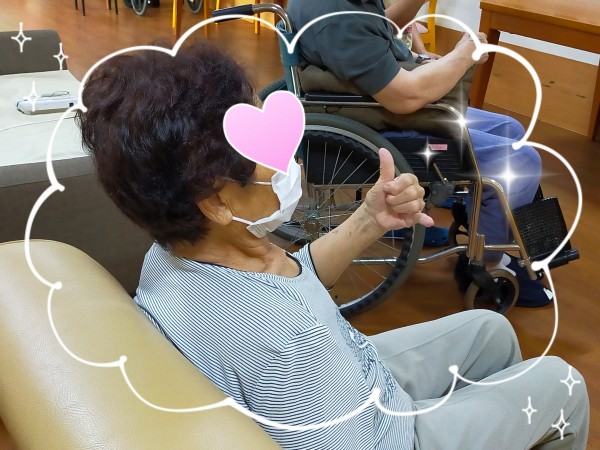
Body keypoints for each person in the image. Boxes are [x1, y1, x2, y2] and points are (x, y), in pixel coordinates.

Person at [77, 41, 588, 450]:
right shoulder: (283, 341)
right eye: (266, 152)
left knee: (489, 331)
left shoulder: (177, 255)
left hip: (349, 376)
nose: (292, 158)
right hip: (380, 431)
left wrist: (369, 218)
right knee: (562, 385)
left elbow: (294, 283)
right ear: (216, 202)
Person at [286, 0, 553, 307]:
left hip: (374, 102)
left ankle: (482, 218)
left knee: (509, 128)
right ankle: (486, 263)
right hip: (383, 123)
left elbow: (377, 29)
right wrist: (463, 55)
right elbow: (406, 97)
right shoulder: (336, 17)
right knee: (521, 160)